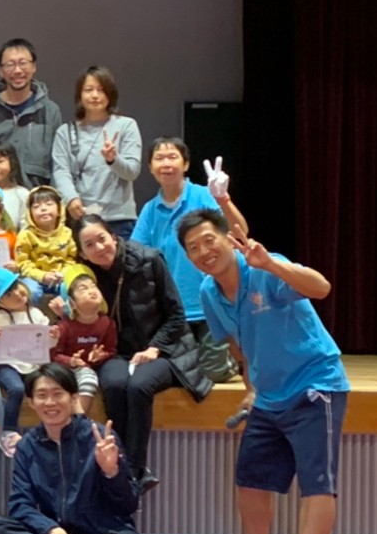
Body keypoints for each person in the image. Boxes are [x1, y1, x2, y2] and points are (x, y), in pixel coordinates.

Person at [180, 209, 350, 534]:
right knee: (251, 477)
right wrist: (250, 387)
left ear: (228, 238)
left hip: (315, 383)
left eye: (209, 240)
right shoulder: (208, 292)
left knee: (317, 482)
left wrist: (272, 264)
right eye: (193, 248)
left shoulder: (262, 266)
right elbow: (238, 344)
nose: (204, 251)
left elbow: (321, 287)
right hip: (269, 393)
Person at [70, 216, 211, 492]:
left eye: (101, 238)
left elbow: (176, 315)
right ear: (82, 252)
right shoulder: (85, 276)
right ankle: (118, 462)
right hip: (118, 352)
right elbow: (80, 319)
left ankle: (134, 470)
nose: (99, 247)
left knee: (138, 386)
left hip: (165, 349)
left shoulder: (149, 259)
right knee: (113, 384)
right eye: (89, 244)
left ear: (113, 236)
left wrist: (154, 348)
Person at [0, 365, 144, 534]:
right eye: (42, 395)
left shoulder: (99, 438)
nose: (50, 402)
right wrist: (55, 532)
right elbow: (20, 505)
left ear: (73, 398)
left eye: (58, 394)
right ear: (31, 402)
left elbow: (129, 504)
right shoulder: (27, 446)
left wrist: (112, 472)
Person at [131, 139, 247, 383]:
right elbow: (135, 254)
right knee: (178, 374)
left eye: (172, 157)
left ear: (185, 164)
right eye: (159, 158)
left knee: (214, 372)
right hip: (173, 311)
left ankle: (239, 358)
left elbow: (239, 233)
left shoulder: (204, 195)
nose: (166, 163)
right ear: (150, 168)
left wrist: (223, 199)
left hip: (210, 303)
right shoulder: (150, 210)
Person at [50, 66, 142, 239]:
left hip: (119, 219)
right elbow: (61, 171)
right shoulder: (65, 131)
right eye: (88, 90)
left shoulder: (126, 125)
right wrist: (71, 199)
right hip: (80, 218)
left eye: (101, 90)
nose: (94, 95)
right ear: (79, 95)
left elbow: (132, 172)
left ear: (110, 94)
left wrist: (113, 159)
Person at [0, 38, 63, 188]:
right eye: (10, 65)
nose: (17, 70)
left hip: (38, 199)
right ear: (1, 71)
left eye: (23, 63)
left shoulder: (50, 111)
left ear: (34, 66)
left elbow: (58, 164)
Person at [0, 266, 53, 446]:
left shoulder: (36, 314)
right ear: (0, 302)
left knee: (47, 386)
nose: (17, 294)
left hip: (31, 364)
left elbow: (47, 345)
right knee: (16, 388)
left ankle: (50, 427)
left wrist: (53, 337)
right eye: (8, 294)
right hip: (3, 364)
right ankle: (8, 430)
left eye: (16, 286)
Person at [50, 266, 117, 417]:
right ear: (72, 303)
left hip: (91, 370)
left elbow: (111, 351)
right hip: (66, 369)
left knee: (88, 376)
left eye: (93, 286)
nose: (91, 291)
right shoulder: (63, 326)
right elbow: (53, 355)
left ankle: (78, 421)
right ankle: (76, 421)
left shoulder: (107, 323)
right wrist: (71, 361)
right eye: (83, 289)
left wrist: (101, 356)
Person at [14, 184, 76, 306]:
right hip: (34, 278)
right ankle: (31, 316)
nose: (43, 209)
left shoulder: (67, 233)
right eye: (36, 206)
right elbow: (23, 264)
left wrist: (62, 274)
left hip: (61, 277)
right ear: (29, 213)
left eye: (49, 204)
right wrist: (42, 276)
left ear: (59, 209)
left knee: (70, 288)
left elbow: (71, 259)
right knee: (31, 291)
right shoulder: (25, 235)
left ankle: (68, 316)